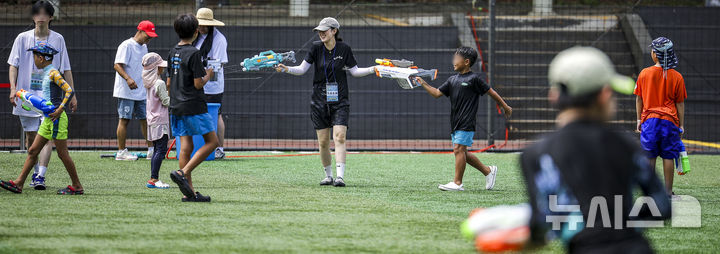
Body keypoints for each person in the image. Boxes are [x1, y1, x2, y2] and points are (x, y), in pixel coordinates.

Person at [518, 46, 670, 253]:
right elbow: (662, 205)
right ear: (604, 95)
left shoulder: (536, 153)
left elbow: (541, 222)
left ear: (553, 96)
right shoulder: (625, 144)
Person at [276, 17, 376, 187]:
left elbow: (355, 71)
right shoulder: (315, 48)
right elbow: (301, 69)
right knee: (323, 142)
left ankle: (340, 177)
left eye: (325, 30)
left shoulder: (344, 49)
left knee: (340, 137)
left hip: (340, 100)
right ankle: (328, 176)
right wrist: (286, 69)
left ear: (334, 31)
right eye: (319, 31)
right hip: (319, 100)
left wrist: (374, 69)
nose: (321, 33)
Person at [415, 46, 512, 191]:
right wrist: (422, 82)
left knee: (459, 149)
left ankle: (457, 183)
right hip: (455, 121)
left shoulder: (474, 79)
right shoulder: (452, 80)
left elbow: (491, 92)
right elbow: (436, 93)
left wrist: (505, 106)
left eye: (457, 59)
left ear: (466, 62)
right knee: (462, 152)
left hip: (467, 121)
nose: (453, 61)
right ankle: (488, 171)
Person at [7, 0, 77, 190]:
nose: (40, 16)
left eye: (45, 13)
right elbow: (13, 64)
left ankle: (39, 176)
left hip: (51, 105)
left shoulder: (58, 43)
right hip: (30, 98)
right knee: (34, 142)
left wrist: (66, 102)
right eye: (37, 13)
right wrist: (14, 89)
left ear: (51, 17)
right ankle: (30, 179)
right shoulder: (22, 38)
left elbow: (67, 71)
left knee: (51, 147)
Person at [0, 41, 83, 195]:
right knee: (32, 151)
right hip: (48, 119)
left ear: (41, 58)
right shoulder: (46, 72)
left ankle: (77, 186)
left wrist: (60, 109)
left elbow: (69, 90)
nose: (34, 60)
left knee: (62, 154)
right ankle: (18, 184)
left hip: (57, 118)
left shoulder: (53, 73)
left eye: (34, 57)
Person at [167, 14, 218, 202]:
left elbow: (169, 82)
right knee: (213, 142)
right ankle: (184, 172)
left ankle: (188, 193)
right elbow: (198, 84)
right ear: (196, 32)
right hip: (194, 105)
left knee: (185, 147)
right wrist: (208, 74)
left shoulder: (173, 51)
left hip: (176, 105)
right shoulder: (195, 53)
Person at [634, 37, 686, 195]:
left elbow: (639, 98)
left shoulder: (644, 73)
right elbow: (680, 104)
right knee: (668, 156)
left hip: (650, 121)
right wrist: (681, 125)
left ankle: (650, 192)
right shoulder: (677, 77)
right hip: (669, 122)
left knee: (649, 155)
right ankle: (668, 192)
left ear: (655, 55)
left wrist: (639, 120)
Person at [113, 20, 157, 161]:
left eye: (151, 36)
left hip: (141, 89)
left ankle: (151, 149)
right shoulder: (126, 45)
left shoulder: (144, 47)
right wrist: (128, 79)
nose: (149, 38)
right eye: (147, 35)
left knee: (145, 119)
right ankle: (121, 152)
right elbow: (117, 65)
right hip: (126, 90)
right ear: (140, 31)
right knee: (124, 119)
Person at [193, 7, 228, 159]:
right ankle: (199, 146)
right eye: (198, 24)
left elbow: (217, 64)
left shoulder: (219, 39)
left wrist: (204, 79)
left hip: (212, 86)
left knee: (215, 115)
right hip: (196, 83)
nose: (200, 27)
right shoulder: (195, 36)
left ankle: (219, 148)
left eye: (203, 24)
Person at [142, 52, 170, 189]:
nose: (162, 69)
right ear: (155, 68)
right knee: (161, 150)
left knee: (156, 149)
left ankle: (153, 178)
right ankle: (154, 178)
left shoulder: (149, 83)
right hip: (160, 120)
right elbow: (166, 101)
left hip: (152, 120)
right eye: (160, 66)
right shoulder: (159, 82)